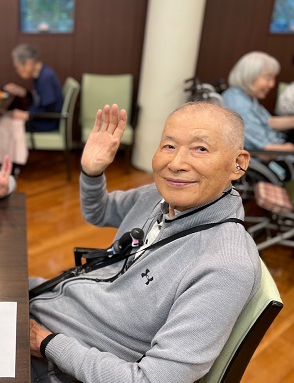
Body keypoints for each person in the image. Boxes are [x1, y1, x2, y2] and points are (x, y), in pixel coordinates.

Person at [28, 102, 261, 382]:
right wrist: (92, 172)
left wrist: (48, 343)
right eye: (169, 146)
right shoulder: (159, 197)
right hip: (55, 302)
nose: (176, 163)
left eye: (200, 149)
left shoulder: (226, 265)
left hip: (60, 360)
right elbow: (99, 211)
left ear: (238, 164)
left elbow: (151, 379)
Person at [0, 43, 63, 167]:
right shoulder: (41, 74)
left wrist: (26, 115)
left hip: (46, 122)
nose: (17, 71)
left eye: (18, 67)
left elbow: (49, 108)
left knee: (5, 122)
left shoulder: (46, 78)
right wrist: (22, 92)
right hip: (41, 118)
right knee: (6, 118)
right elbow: (40, 100)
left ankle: (8, 164)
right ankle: (10, 162)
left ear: (28, 63)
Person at [222, 51, 294, 152]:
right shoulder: (241, 106)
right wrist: (290, 147)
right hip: (267, 156)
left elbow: (268, 122)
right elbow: (264, 152)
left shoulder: (244, 95)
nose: (272, 84)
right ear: (249, 76)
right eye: (268, 78)